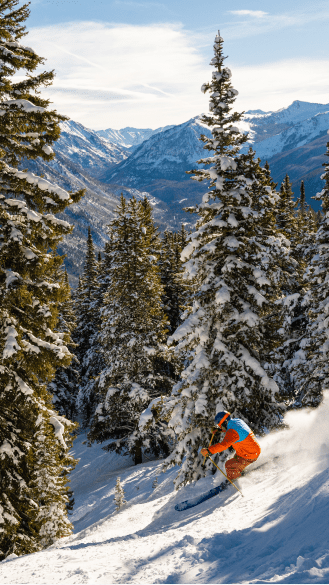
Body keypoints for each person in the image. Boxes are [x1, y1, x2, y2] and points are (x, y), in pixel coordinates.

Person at [200, 411, 261, 481]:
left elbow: (223, 445)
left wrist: (209, 450)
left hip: (249, 454)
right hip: (250, 449)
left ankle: (235, 481)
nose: (221, 427)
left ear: (225, 422)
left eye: (221, 426)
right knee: (235, 459)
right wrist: (219, 430)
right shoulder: (236, 421)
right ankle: (239, 472)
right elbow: (234, 430)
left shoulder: (232, 432)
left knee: (229, 465)